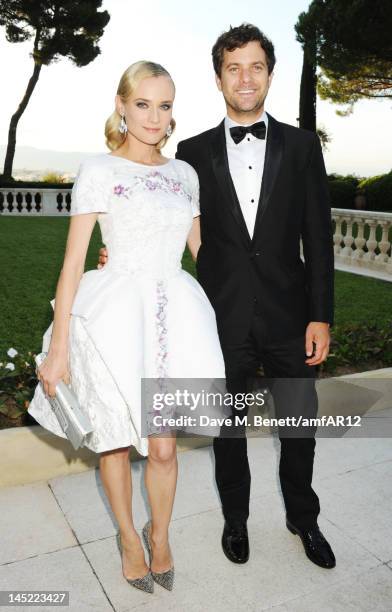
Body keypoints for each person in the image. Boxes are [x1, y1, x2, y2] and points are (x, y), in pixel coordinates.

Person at [99, 23, 336, 571]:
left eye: (256, 66)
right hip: (219, 317)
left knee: (298, 429)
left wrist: (320, 316)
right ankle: (236, 520)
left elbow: (318, 238)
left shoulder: (302, 146)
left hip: (290, 317)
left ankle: (304, 518)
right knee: (226, 431)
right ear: (219, 78)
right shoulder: (192, 152)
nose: (245, 78)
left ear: (270, 74)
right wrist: (119, 257)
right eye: (234, 68)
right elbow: (165, 220)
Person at [28, 60, 227, 594]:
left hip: (174, 314)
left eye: (164, 105)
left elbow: (201, 252)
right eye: (143, 103)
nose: (154, 116)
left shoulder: (185, 173)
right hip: (113, 312)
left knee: (162, 447)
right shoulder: (98, 169)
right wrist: (60, 348)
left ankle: (159, 535)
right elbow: (73, 263)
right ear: (121, 105)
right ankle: (127, 538)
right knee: (114, 441)